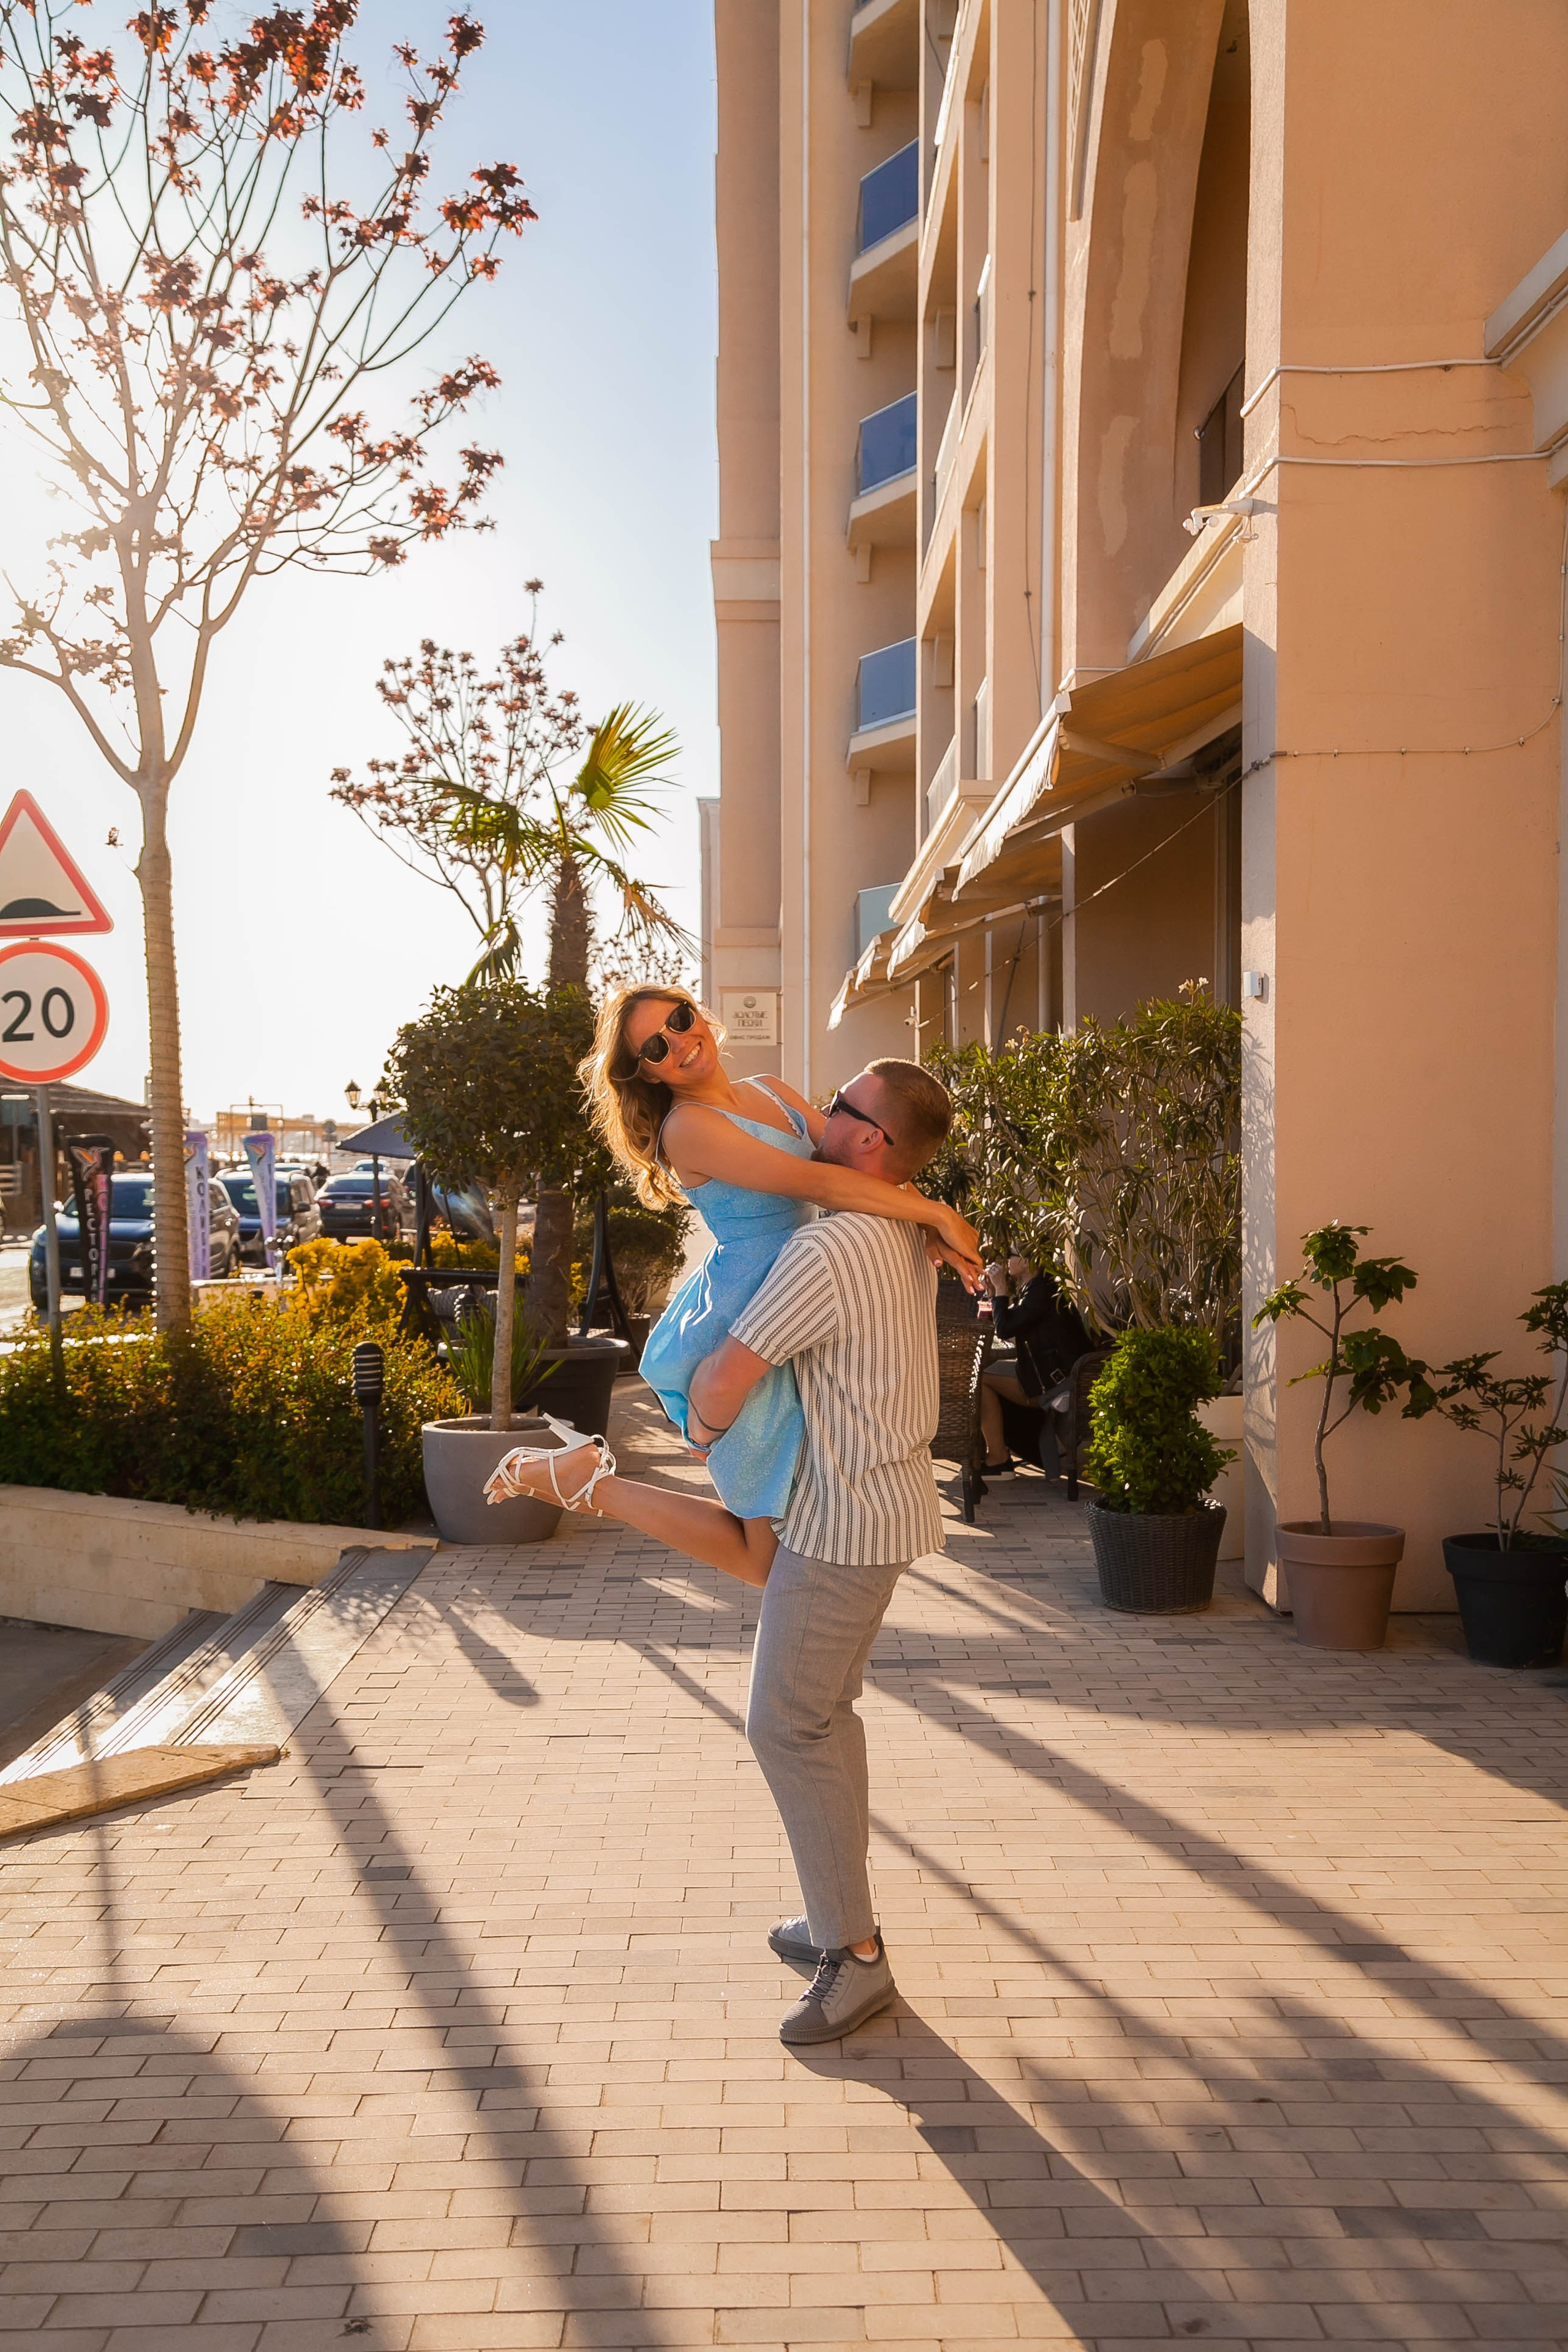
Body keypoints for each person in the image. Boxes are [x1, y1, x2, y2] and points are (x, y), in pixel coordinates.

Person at [487, 1047, 962, 2046]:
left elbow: (722, 1380)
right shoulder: (896, 1232)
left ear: (870, 1142)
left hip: (845, 1521)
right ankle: (840, 1916)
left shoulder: (830, 1252)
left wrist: (704, 1420)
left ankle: (856, 1959)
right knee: (822, 1717)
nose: (822, 1111)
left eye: (840, 1105)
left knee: (785, 1724)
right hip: (876, 1508)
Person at [484, 986, 977, 1585]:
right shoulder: (687, 1127)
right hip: (749, 1309)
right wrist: (937, 1216)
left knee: (778, 1543)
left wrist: (924, 1211)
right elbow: (816, 1184)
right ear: (645, 1071)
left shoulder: (772, 1089)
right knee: (761, 1556)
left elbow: (864, 1161)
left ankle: (579, 1477)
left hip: (801, 1300)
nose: (682, 1042)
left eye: (681, 1018)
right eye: (657, 1047)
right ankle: (581, 1482)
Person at [979, 1252, 1091, 1476]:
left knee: (978, 1381)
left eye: (1012, 1254)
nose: (1006, 1259)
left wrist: (1001, 1289)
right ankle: (1000, 1454)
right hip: (1048, 1373)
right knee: (987, 1373)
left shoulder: (1042, 1291)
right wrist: (994, 1294)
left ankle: (998, 1458)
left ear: (1028, 1261)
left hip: (1055, 1381)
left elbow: (1005, 1330)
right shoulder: (1038, 1289)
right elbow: (1014, 1327)